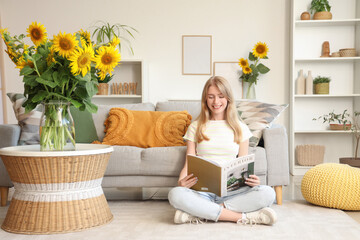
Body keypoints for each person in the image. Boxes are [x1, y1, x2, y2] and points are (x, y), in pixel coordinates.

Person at [168, 76, 277, 225]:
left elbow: (242, 164)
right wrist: (181, 183)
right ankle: (244, 217)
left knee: (268, 193)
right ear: (205, 99)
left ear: (228, 99)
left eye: (221, 96)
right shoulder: (196, 126)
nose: (216, 102)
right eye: (211, 97)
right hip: (202, 192)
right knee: (175, 194)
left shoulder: (240, 128)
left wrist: (253, 181)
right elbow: (189, 161)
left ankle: (201, 213)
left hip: (232, 192)